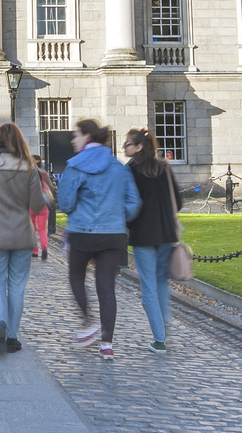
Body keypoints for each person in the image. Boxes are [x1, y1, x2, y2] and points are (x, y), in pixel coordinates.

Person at [57, 119, 142, 360]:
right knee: (106, 288)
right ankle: (107, 344)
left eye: (76, 135)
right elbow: (133, 203)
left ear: (86, 137)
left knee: (76, 277)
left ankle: (88, 323)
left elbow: (65, 203)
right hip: (113, 233)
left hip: (82, 232)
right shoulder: (119, 167)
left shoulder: (74, 166)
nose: (73, 140)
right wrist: (115, 217)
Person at [0, 123, 47, 355]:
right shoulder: (28, 167)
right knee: (17, 286)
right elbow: (37, 205)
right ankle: (12, 337)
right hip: (21, 234)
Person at [125, 128, 182, 354]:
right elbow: (177, 202)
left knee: (148, 287)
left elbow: (129, 204)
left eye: (127, 144)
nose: (124, 147)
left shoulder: (129, 170)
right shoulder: (164, 167)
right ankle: (164, 326)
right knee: (160, 283)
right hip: (166, 233)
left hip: (143, 236)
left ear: (139, 147)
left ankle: (159, 339)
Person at [30, 155, 56, 261]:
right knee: (42, 229)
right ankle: (44, 248)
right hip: (43, 204)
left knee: (32, 229)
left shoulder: (27, 175)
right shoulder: (44, 174)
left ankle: (34, 250)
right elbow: (51, 189)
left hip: (30, 204)